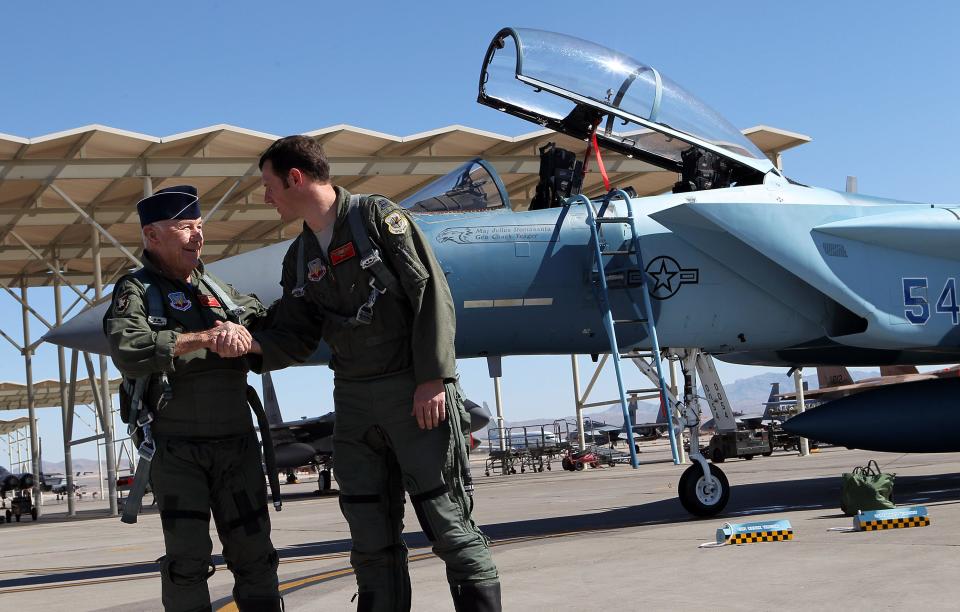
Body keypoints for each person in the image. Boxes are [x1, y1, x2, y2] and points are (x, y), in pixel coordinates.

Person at [240, 135, 501, 611]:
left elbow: (431, 293)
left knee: (450, 525)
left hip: (412, 391)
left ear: (295, 177)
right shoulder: (299, 258)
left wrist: (433, 378)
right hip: (355, 404)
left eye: (269, 185)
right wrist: (250, 342)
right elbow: (296, 335)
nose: (266, 197)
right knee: (369, 540)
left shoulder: (378, 219)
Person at [103, 185, 282, 612]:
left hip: (236, 447)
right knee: (187, 562)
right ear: (152, 236)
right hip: (178, 450)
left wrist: (251, 338)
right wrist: (205, 337)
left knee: (256, 557)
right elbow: (127, 346)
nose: (197, 237)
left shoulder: (218, 289)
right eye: (185, 228)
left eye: (200, 227)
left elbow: (276, 332)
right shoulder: (136, 290)